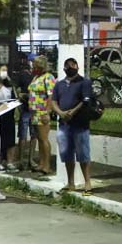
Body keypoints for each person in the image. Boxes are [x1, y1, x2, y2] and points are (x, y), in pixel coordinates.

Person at [51, 57, 93, 194]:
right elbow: (54, 101)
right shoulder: (59, 84)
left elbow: (85, 100)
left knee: (83, 154)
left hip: (80, 123)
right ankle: (70, 183)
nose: (70, 67)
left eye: (73, 65)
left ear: (77, 66)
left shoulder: (84, 82)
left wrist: (72, 112)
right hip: (64, 124)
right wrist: (61, 113)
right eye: (67, 65)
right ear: (64, 68)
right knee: (67, 154)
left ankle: (87, 182)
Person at [28, 56, 56, 176]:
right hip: (34, 112)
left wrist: (47, 111)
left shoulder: (48, 78)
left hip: (42, 111)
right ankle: (41, 163)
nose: (33, 68)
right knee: (39, 138)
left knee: (44, 138)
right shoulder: (36, 77)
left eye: (35, 66)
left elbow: (51, 96)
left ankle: (47, 165)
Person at [14, 55, 34, 170]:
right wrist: (20, 97)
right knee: (24, 134)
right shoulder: (23, 75)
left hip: (34, 108)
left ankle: (28, 159)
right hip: (26, 107)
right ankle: (22, 159)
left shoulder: (36, 76)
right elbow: (17, 89)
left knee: (32, 134)